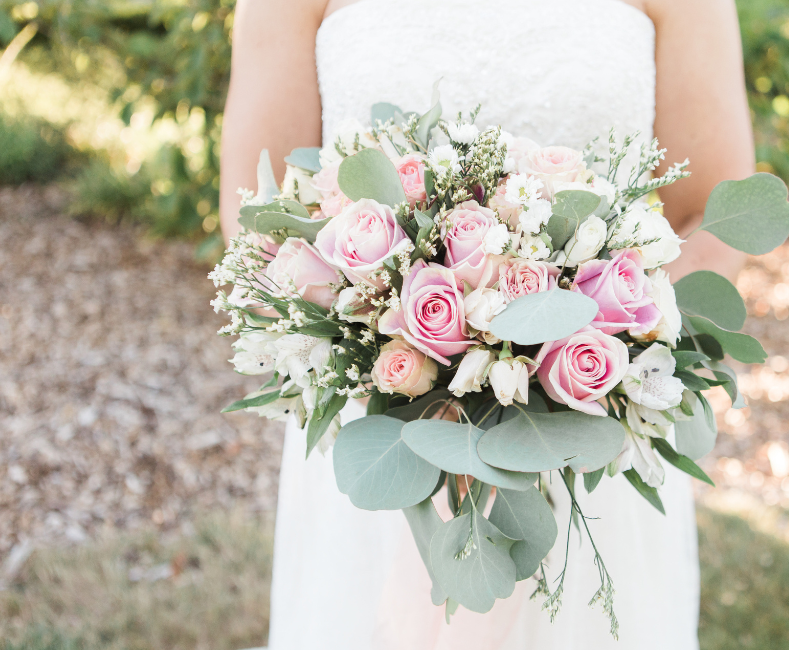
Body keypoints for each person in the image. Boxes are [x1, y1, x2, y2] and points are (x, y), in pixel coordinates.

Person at [216, 1, 751, 646]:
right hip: (381, 428)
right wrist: (391, 347)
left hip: (591, 429)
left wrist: (590, 348)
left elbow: (712, 208)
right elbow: (259, 218)